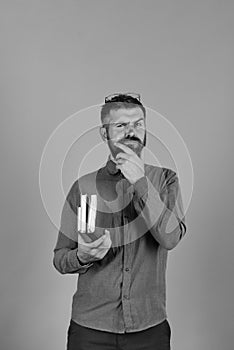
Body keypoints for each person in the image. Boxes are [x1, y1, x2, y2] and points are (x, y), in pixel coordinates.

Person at [53, 93, 187, 350]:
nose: (131, 131)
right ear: (104, 134)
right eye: (121, 125)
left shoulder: (166, 180)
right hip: (90, 330)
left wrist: (141, 183)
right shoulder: (83, 187)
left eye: (138, 123)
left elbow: (170, 238)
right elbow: (60, 259)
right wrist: (82, 256)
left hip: (149, 329)